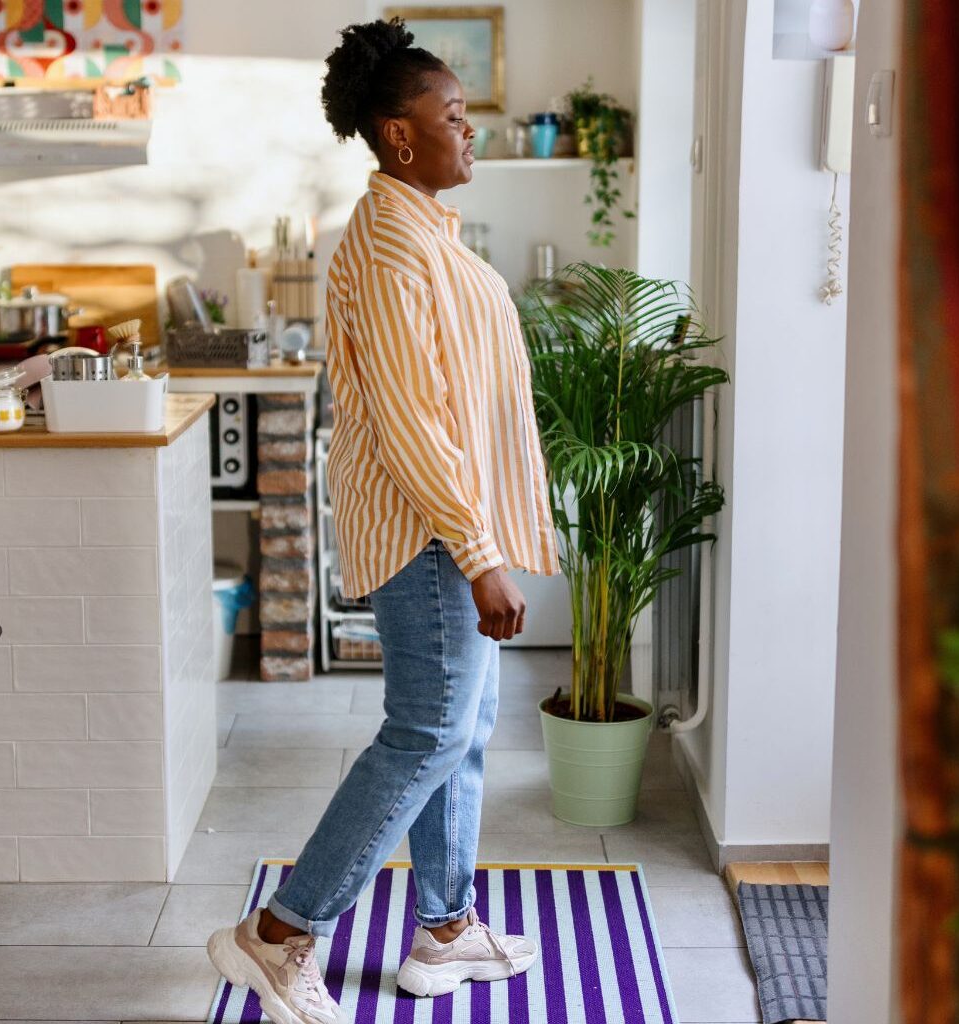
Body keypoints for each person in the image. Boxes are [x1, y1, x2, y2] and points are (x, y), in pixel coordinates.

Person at [204, 16, 561, 1024]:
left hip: (449, 527)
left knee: (463, 732)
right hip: (427, 534)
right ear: (401, 135)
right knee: (426, 733)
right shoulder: (388, 246)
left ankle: (445, 931)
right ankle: (280, 935)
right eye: (455, 116)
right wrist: (482, 551)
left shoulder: (423, 231)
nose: (472, 131)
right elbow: (414, 422)